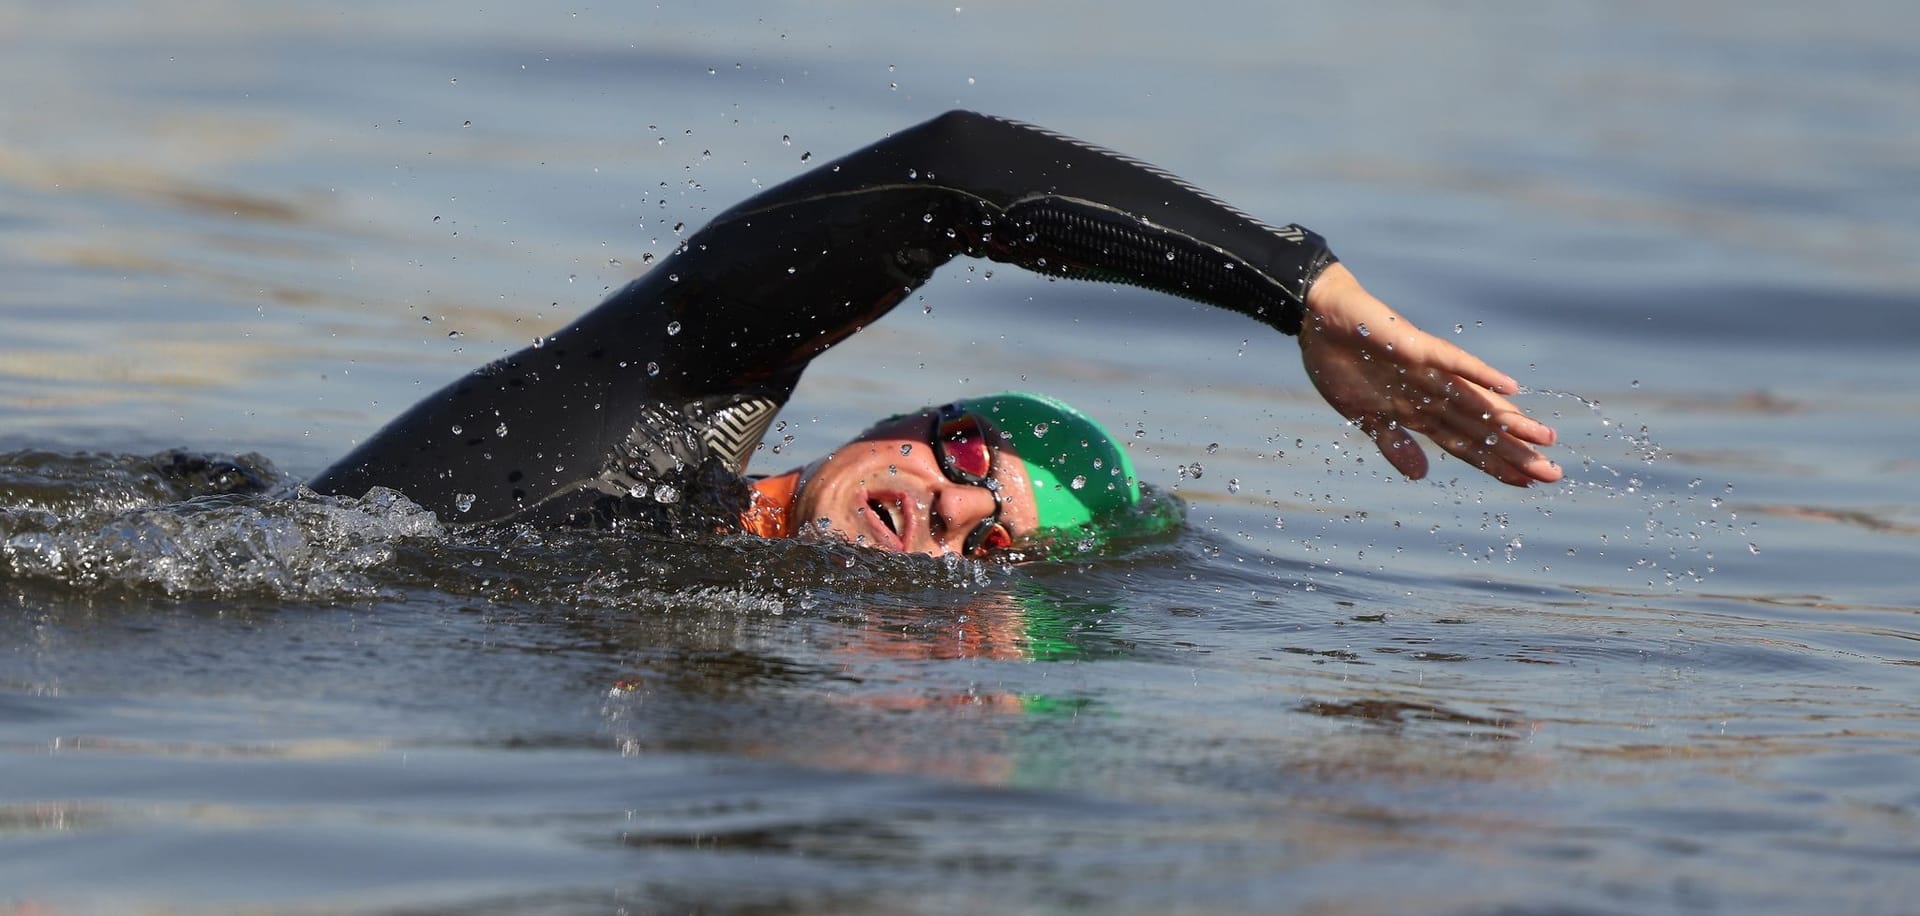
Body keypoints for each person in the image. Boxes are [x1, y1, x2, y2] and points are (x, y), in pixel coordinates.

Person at [311, 111, 1561, 558]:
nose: (955, 514)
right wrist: (1299, 288)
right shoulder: (663, 398)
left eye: (994, 548)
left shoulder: (741, 675)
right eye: (967, 462)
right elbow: (952, 172)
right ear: (904, 423)